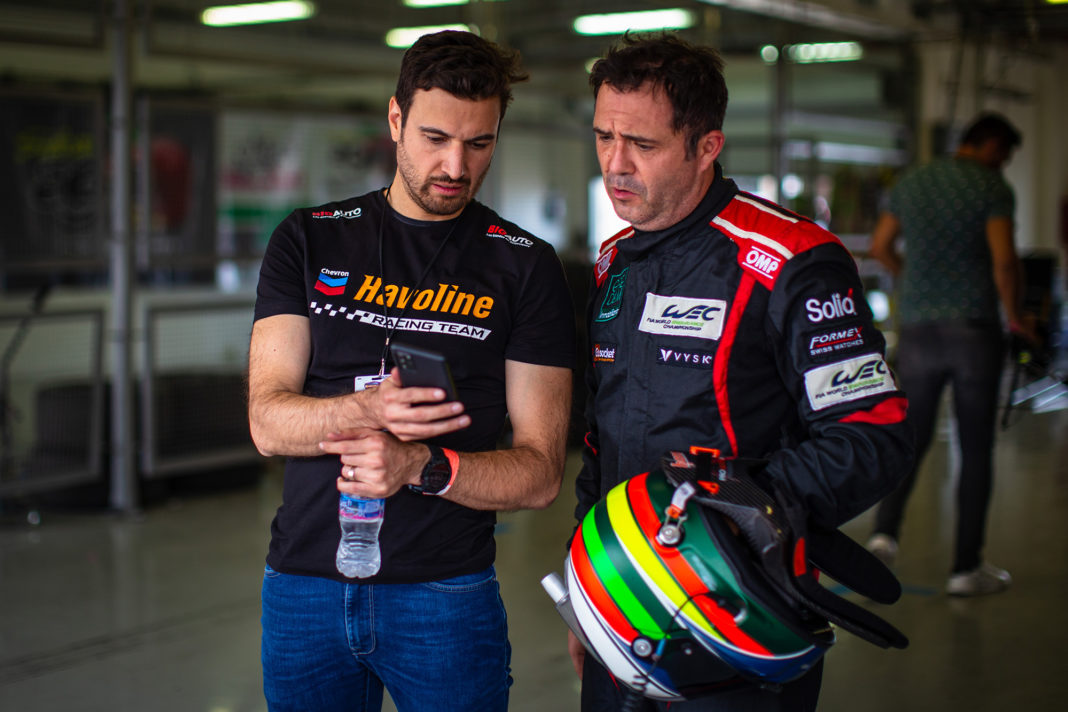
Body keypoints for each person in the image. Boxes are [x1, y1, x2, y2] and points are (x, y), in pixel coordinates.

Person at [569, 33, 913, 711]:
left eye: (643, 144)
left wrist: (732, 505)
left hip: (739, 611)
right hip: (625, 602)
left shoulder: (792, 261)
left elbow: (874, 433)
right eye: (604, 137)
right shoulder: (612, 262)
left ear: (707, 146)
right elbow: (600, 442)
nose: (615, 163)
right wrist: (592, 586)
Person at [247, 30, 575, 712]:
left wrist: (420, 465)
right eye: (435, 138)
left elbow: (541, 473)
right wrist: (364, 410)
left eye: (479, 143)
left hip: (443, 595)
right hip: (304, 585)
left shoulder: (523, 265)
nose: (456, 165)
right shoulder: (309, 238)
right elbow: (268, 423)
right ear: (395, 120)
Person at [866, 113, 1032, 596]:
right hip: (974, 330)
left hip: (919, 330)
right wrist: (1017, 317)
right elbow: (1004, 261)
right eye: (1004, 154)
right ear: (990, 145)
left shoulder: (913, 182)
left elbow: (880, 246)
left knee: (912, 437)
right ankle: (965, 568)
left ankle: (883, 535)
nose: (1004, 163)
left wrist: (915, 281)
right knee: (975, 447)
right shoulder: (991, 187)